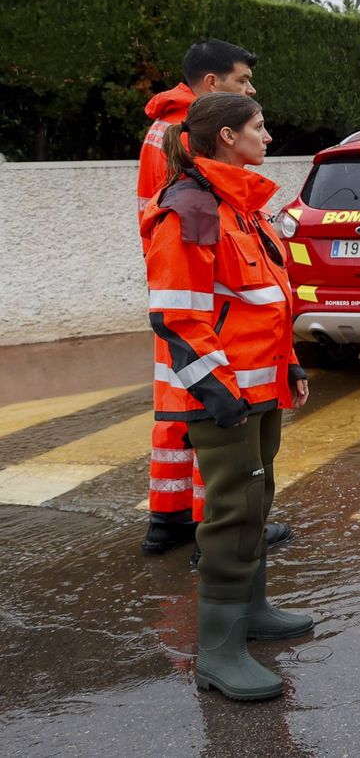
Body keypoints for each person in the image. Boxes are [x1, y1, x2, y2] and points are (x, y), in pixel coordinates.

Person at [140, 92, 312, 701]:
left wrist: (289, 365)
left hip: (260, 389)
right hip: (226, 397)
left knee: (256, 503)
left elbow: (268, 302)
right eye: (258, 128)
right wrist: (220, 393)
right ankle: (217, 651)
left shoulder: (245, 207)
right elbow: (178, 318)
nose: (268, 138)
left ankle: (254, 612)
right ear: (226, 138)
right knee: (233, 512)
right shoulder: (191, 210)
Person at [136, 39, 289, 559]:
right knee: (206, 410)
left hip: (185, 294)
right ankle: (215, 528)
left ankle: (172, 516)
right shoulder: (187, 139)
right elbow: (185, 220)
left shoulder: (169, 131)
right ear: (212, 87)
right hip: (193, 299)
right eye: (243, 81)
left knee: (178, 412)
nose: (250, 89)